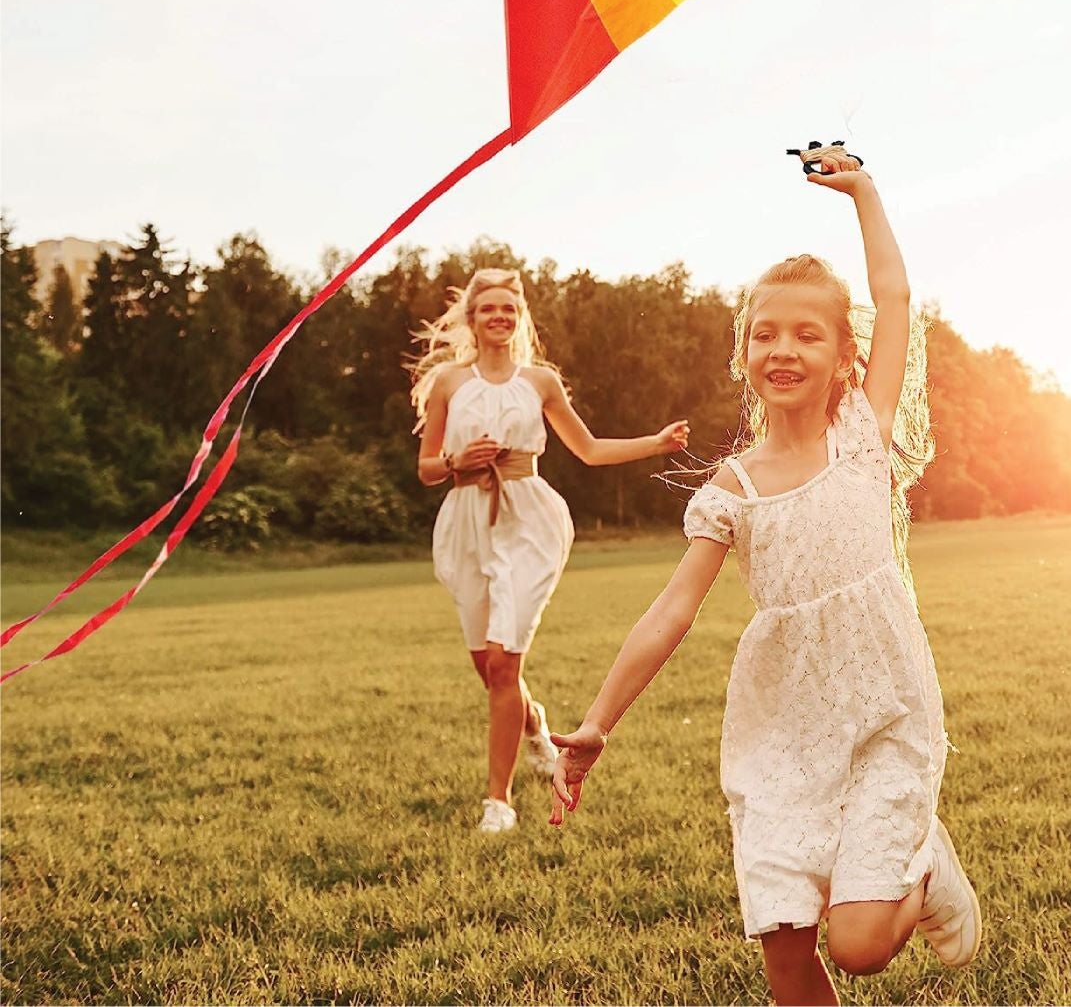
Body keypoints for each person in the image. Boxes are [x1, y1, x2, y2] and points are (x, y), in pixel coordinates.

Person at [548, 152, 981, 1006]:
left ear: (843, 355)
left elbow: (893, 297)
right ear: (743, 351)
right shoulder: (731, 489)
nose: (782, 348)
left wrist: (863, 193)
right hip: (781, 724)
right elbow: (672, 608)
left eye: (806, 333)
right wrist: (597, 721)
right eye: (764, 332)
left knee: (856, 945)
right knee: (784, 940)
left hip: (884, 710)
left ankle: (924, 865)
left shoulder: (863, 434)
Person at [412, 266, 690, 834]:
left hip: (528, 523)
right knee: (489, 669)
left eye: (508, 309)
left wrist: (655, 443)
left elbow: (587, 450)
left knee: (504, 661)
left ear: (519, 319)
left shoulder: (539, 382)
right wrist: (456, 463)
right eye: (488, 308)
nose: (499, 316)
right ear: (472, 319)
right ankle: (534, 726)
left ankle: (500, 802)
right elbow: (424, 468)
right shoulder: (447, 383)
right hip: (466, 520)